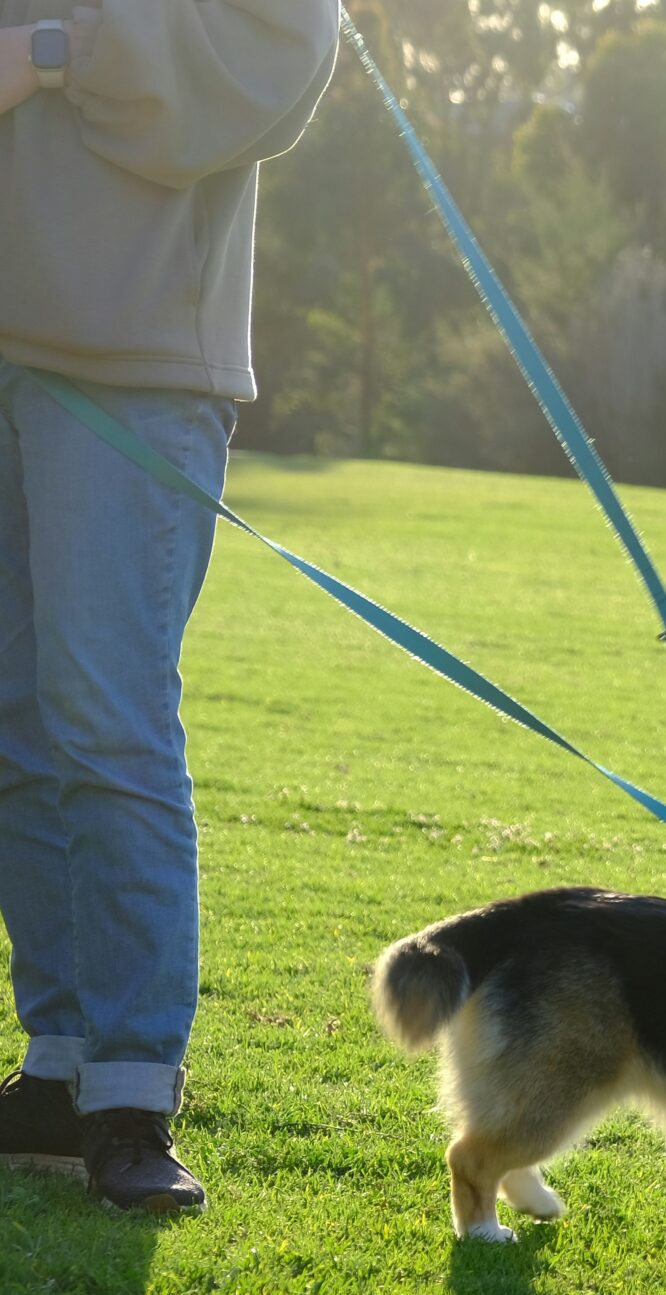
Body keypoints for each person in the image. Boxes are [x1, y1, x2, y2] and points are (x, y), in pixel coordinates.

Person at [0, 1, 338, 1210]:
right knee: (14, 725)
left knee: (106, 719)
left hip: (130, 365)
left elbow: (285, 55)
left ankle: (132, 1090)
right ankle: (62, 1065)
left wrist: (50, 55)